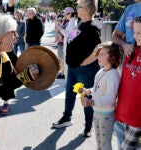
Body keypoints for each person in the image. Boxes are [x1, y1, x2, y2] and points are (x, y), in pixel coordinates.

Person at [52, 0, 101, 137]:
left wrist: (84, 62)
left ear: (86, 10)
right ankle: (66, 118)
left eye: (79, 7)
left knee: (86, 97)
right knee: (69, 94)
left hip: (85, 70)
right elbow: (71, 38)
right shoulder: (79, 24)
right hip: (73, 68)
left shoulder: (92, 27)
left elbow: (98, 50)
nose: (76, 9)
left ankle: (89, 126)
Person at [0, 12, 39, 149]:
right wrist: (26, 76)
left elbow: (13, 79)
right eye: (12, 32)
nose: (17, 36)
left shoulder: (3, 55)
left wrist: (34, 69)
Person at [80, 41, 121, 150]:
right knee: (99, 142)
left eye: (102, 54)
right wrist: (88, 91)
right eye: (98, 54)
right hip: (97, 112)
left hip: (106, 115)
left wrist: (91, 102)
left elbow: (110, 97)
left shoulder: (113, 75)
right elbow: (97, 89)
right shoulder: (100, 72)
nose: (98, 56)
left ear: (112, 56)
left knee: (105, 143)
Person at [112, 1, 141, 149]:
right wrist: (124, 44)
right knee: (122, 130)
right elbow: (115, 36)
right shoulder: (130, 9)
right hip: (128, 67)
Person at [56, 7, 76, 79]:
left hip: (69, 48)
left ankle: (68, 82)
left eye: (66, 14)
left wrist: (61, 30)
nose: (65, 16)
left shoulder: (74, 22)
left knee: (68, 66)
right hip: (67, 47)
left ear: (70, 14)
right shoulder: (71, 21)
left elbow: (71, 36)